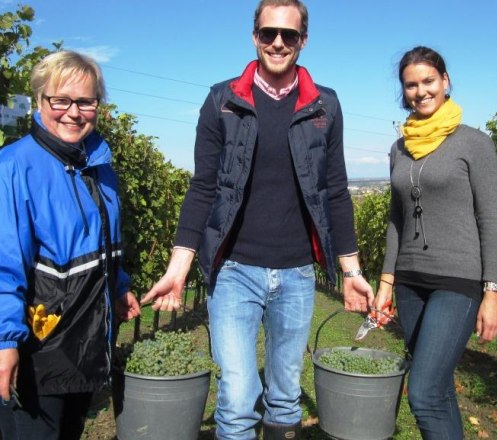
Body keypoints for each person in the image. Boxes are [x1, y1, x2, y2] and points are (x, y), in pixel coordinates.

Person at [141, 1, 373, 438]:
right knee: (237, 395)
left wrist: (351, 269)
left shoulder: (326, 106)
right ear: (254, 36)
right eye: (268, 33)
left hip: (297, 273)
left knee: (286, 394)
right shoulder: (223, 100)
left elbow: (335, 192)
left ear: (304, 40)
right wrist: (179, 266)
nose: (278, 42)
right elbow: (203, 187)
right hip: (234, 270)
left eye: (288, 34)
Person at [0, 51, 141, 440]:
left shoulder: (99, 168)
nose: (73, 112)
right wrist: (2, 341)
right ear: (40, 101)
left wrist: (118, 287)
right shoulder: (13, 167)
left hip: (83, 345)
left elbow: (104, 242)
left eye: (86, 101)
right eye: (61, 100)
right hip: (35, 351)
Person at [373, 46, 497, 439]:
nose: (420, 91)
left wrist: (492, 293)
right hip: (411, 281)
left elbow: (491, 220)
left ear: (445, 81)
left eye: (428, 81)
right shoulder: (399, 149)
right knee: (441, 390)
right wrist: (386, 282)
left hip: (458, 281)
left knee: (424, 392)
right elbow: (396, 219)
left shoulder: (474, 144)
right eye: (411, 85)